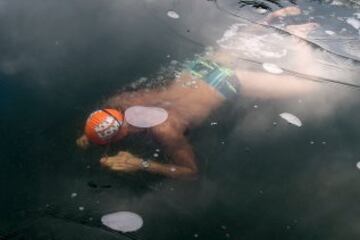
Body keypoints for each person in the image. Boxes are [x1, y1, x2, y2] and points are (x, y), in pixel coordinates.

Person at [76, 6, 320, 180]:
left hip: (226, 82)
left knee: (308, 85)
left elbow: (190, 172)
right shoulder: (120, 101)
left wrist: (141, 164)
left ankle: (299, 38)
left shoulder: (165, 129)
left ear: (119, 137)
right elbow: (107, 123)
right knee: (239, 43)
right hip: (199, 70)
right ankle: (272, 16)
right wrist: (91, 135)